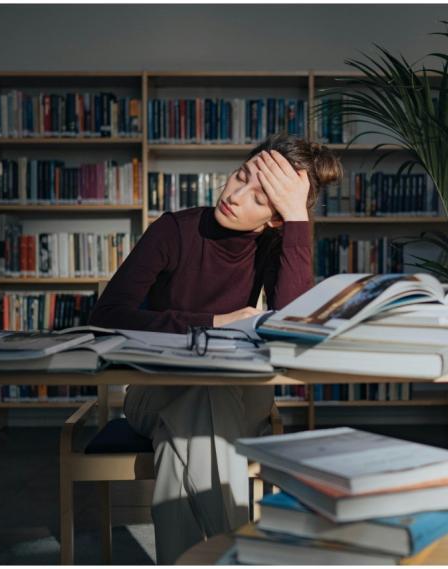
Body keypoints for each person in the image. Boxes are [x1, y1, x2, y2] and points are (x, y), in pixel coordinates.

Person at [87, 132, 343, 564]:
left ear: (275, 218)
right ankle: (241, 554)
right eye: (241, 176)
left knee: (183, 436)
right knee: (201, 403)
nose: (235, 196)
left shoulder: (276, 243)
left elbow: (292, 328)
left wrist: (298, 219)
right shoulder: (174, 230)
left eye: (260, 198)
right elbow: (106, 317)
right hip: (156, 391)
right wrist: (213, 323)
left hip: (240, 393)